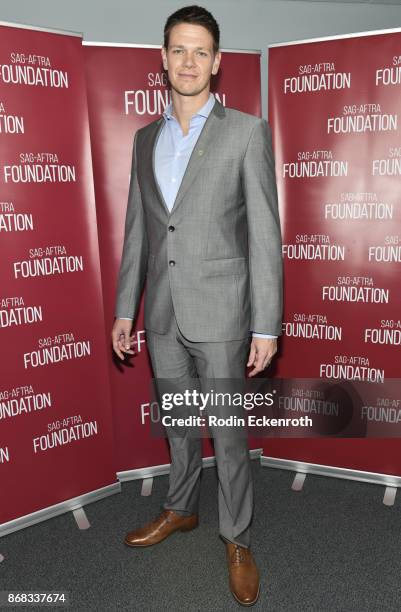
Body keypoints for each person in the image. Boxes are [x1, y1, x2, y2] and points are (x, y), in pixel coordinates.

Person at [111, 5, 282, 606]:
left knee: (228, 434)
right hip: (160, 315)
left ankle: (236, 536)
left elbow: (264, 234)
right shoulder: (143, 139)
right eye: (178, 50)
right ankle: (181, 507)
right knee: (179, 425)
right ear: (163, 58)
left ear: (216, 61)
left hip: (224, 314)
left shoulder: (245, 132)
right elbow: (138, 230)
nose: (189, 61)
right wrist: (125, 309)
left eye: (200, 51)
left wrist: (266, 323)